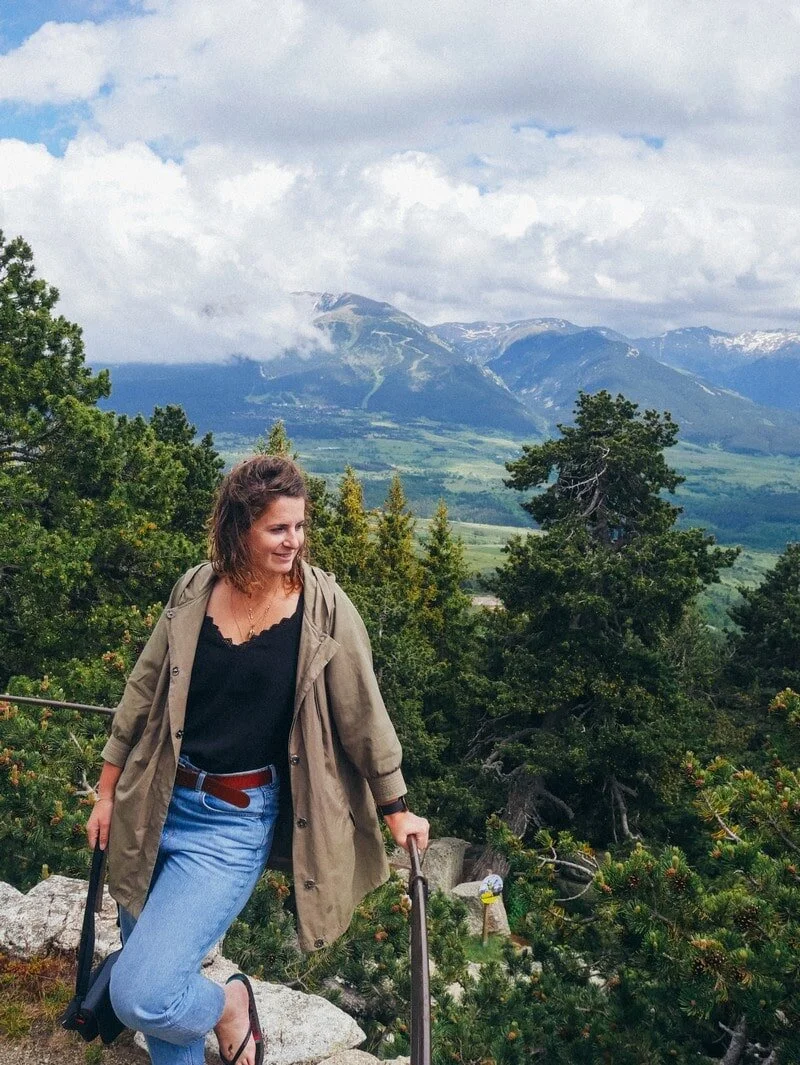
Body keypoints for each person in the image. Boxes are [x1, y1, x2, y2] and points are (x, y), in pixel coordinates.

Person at [86, 455, 429, 1065]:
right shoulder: (195, 588)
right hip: (156, 802)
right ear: (240, 527)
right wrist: (108, 790)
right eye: (278, 528)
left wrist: (395, 807)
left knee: (145, 993)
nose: (293, 541)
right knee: (162, 1000)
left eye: (299, 527)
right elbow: (143, 690)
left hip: (232, 822)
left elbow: (363, 714)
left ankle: (228, 1005)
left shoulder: (323, 608)